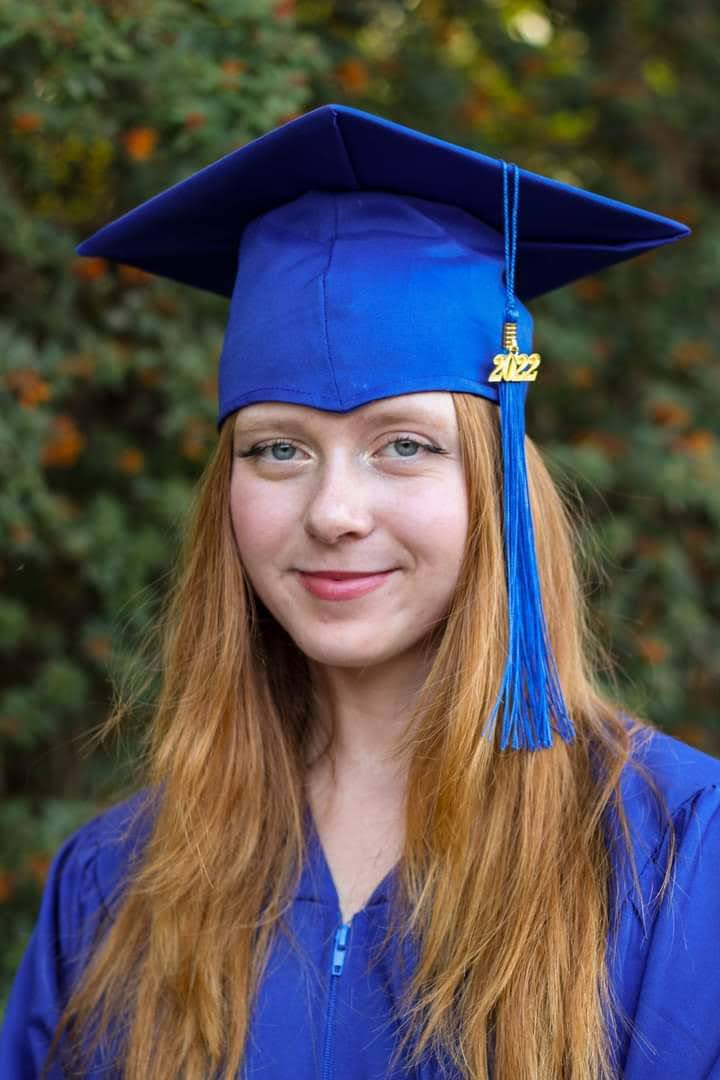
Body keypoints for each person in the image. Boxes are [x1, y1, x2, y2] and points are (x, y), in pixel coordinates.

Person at [1, 103, 718, 1080]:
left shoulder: (674, 859)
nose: (334, 511)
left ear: (499, 484)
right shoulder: (116, 882)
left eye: (404, 445)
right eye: (278, 449)